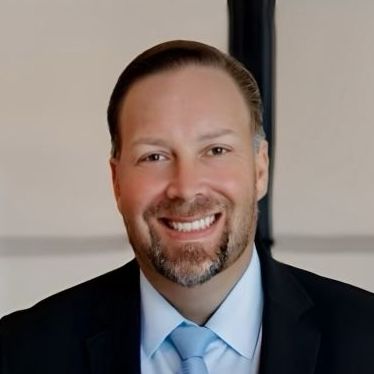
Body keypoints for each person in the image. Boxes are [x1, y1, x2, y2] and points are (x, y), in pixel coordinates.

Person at [1, 40, 373, 374]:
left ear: (260, 168)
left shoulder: (364, 341)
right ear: (116, 182)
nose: (186, 188)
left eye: (216, 150)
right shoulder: (21, 353)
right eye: (155, 156)